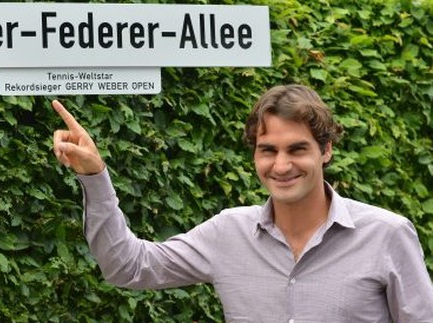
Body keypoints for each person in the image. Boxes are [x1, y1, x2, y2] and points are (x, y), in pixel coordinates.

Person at [51, 84, 433, 322]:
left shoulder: (387, 235)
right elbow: (128, 268)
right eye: (268, 150)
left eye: (297, 149)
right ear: (254, 155)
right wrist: (94, 176)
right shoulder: (227, 232)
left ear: (326, 150)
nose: (281, 165)